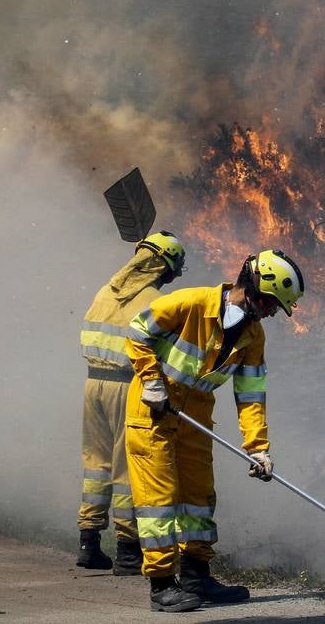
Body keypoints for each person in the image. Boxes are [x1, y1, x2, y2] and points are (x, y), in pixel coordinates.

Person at [124, 248, 303, 613]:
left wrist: (258, 447)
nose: (270, 313)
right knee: (159, 500)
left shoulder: (253, 336)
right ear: (253, 286)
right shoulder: (190, 303)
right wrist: (151, 380)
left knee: (199, 496)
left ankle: (196, 576)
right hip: (154, 411)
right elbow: (137, 331)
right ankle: (162, 584)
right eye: (269, 304)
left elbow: (250, 395)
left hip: (196, 416)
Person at [77, 231, 186, 575]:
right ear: (162, 267)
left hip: (93, 384)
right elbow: (163, 354)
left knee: (96, 464)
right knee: (126, 467)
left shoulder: (105, 292)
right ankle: (128, 550)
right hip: (128, 387)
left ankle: (88, 542)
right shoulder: (154, 301)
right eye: (173, 270)